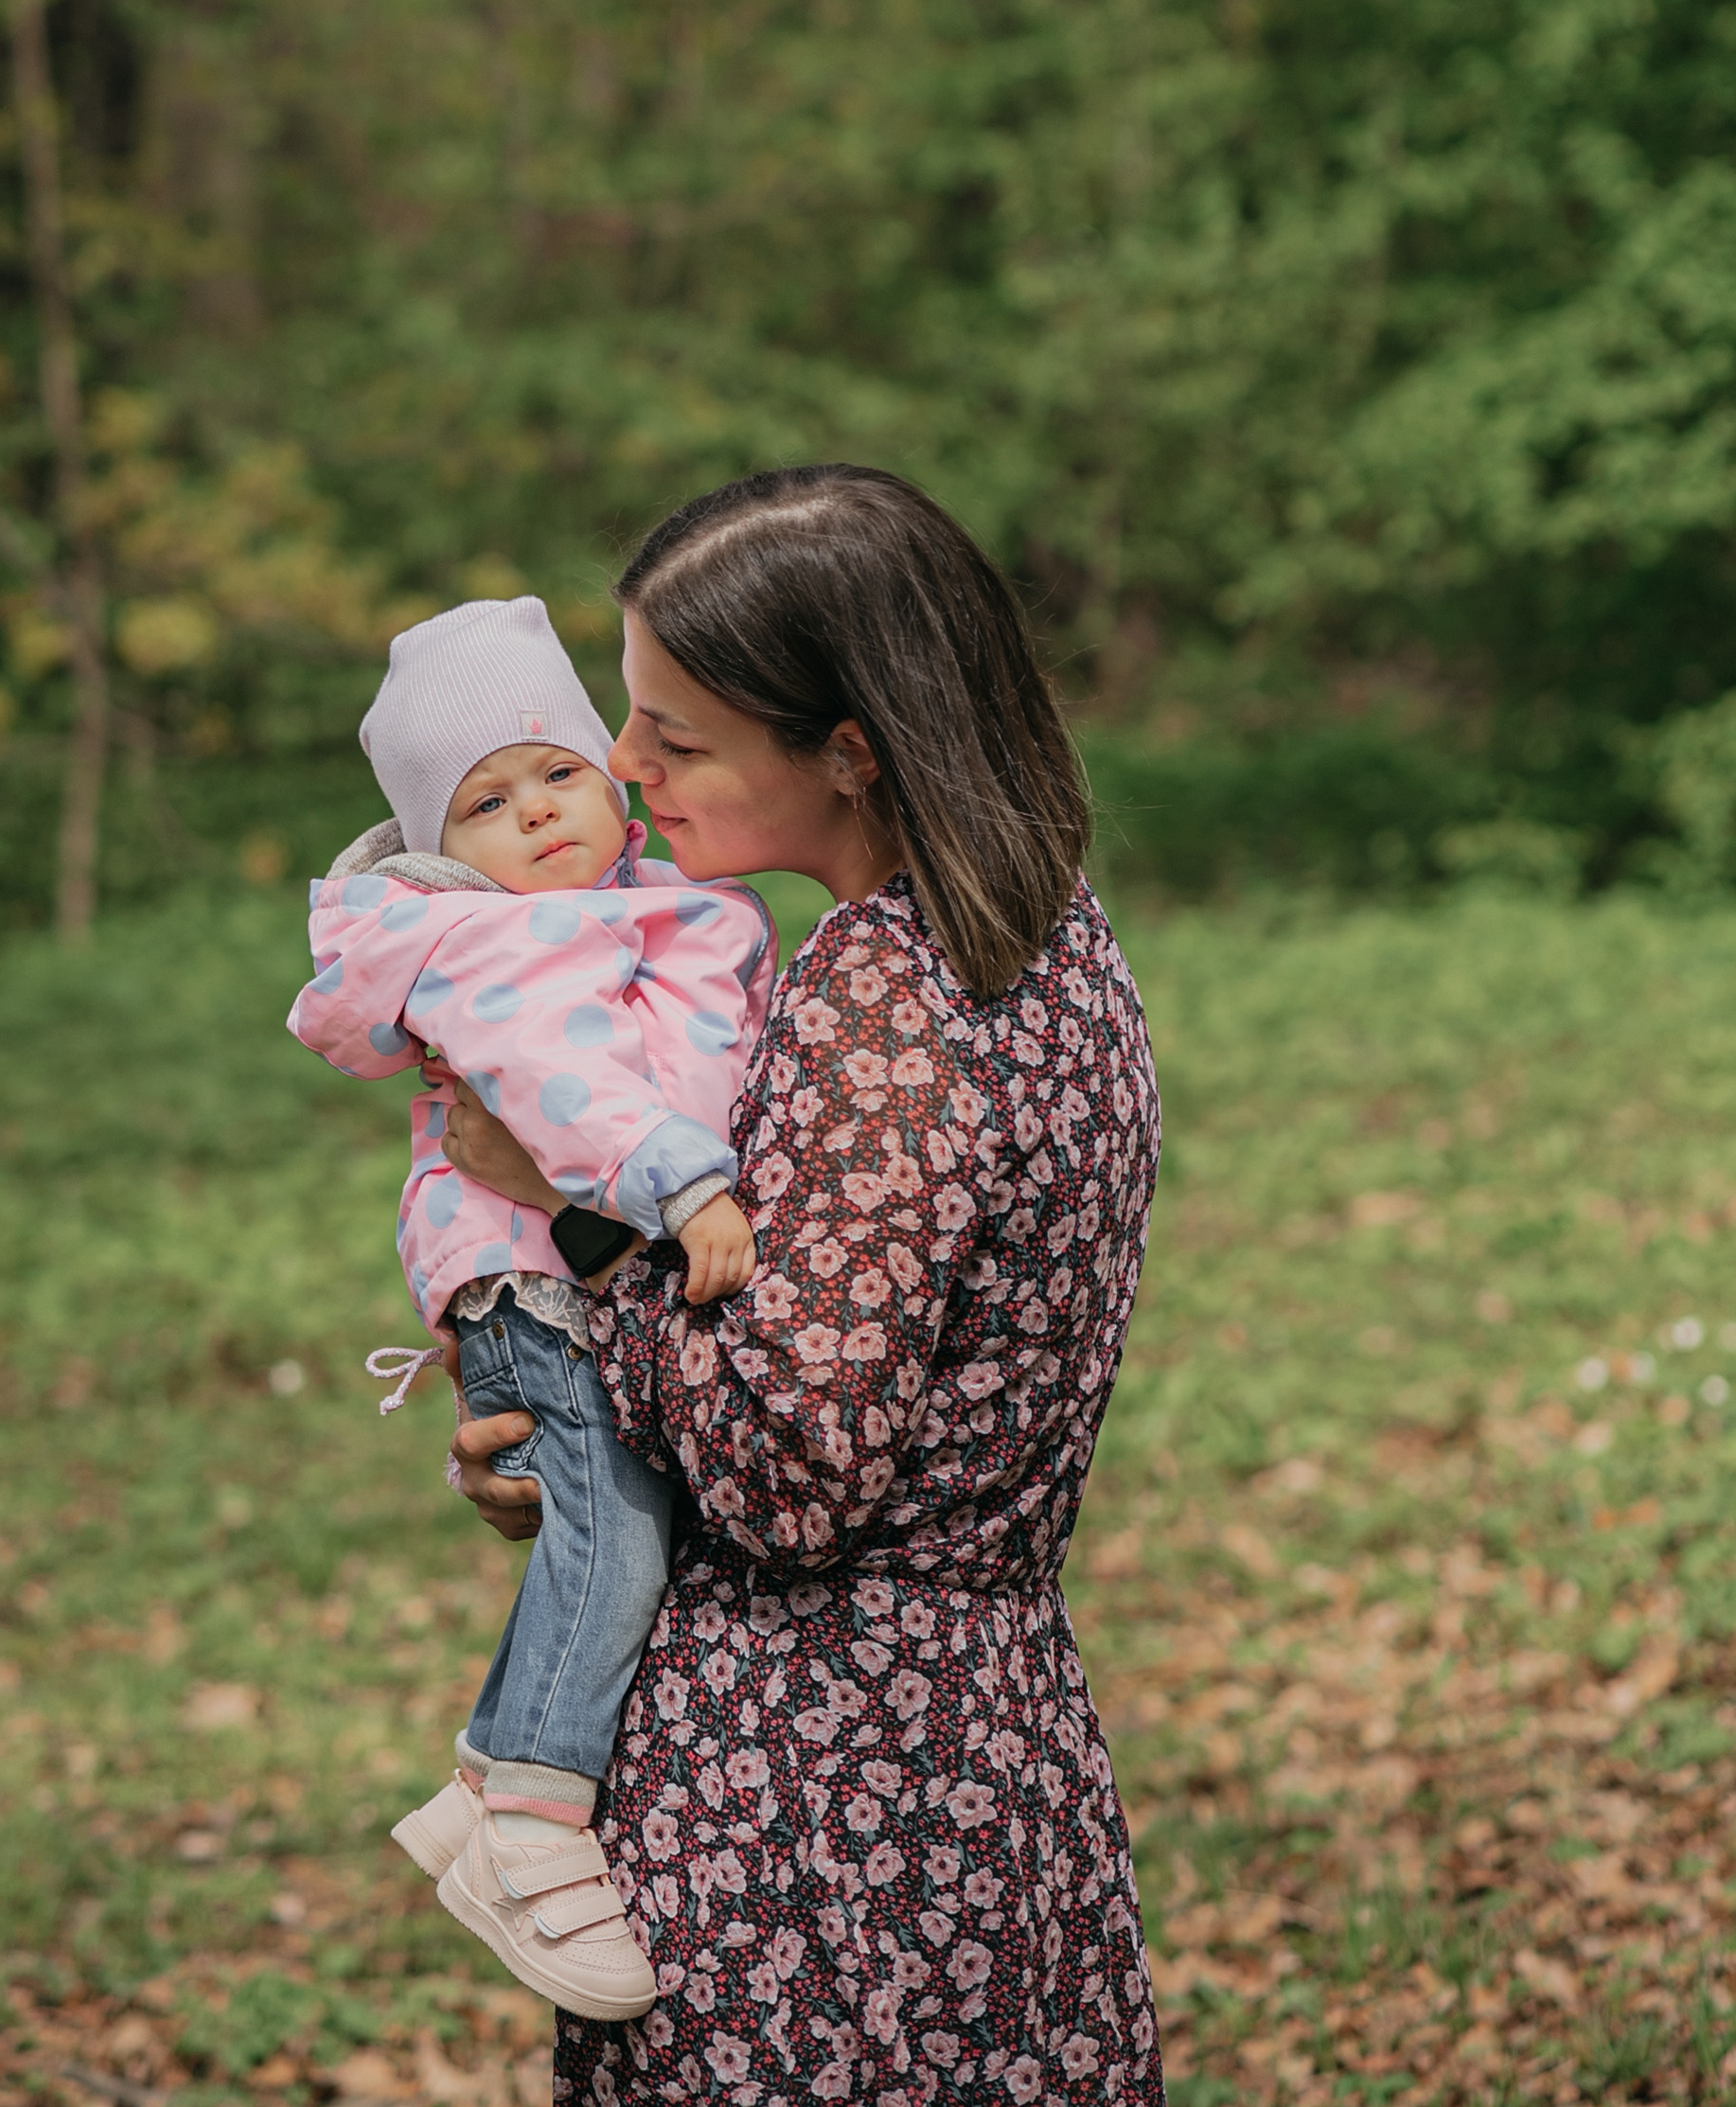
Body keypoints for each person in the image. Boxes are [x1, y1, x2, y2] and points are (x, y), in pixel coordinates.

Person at [432, 467, 1164, 2107]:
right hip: (996, 1757)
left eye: (676, 737)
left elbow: (789, 1473)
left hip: (806, 1798)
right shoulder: (1058, 944)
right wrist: (582, 1447)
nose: (624, 768)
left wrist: (580, 1224)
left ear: (848, 750)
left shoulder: (877, 994)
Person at [287, 595, 776, 2020]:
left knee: (604, 1516)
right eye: (488, 804)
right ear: (447, 851)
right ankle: (536, 1822)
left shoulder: (638, 909)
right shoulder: (495, 944)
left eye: (557, 771)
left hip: (576, 1258)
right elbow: (558, 1090)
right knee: (614, 1523)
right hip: (534, 1273)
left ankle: (483, 1776)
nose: (538, 812)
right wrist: (686, 1186)